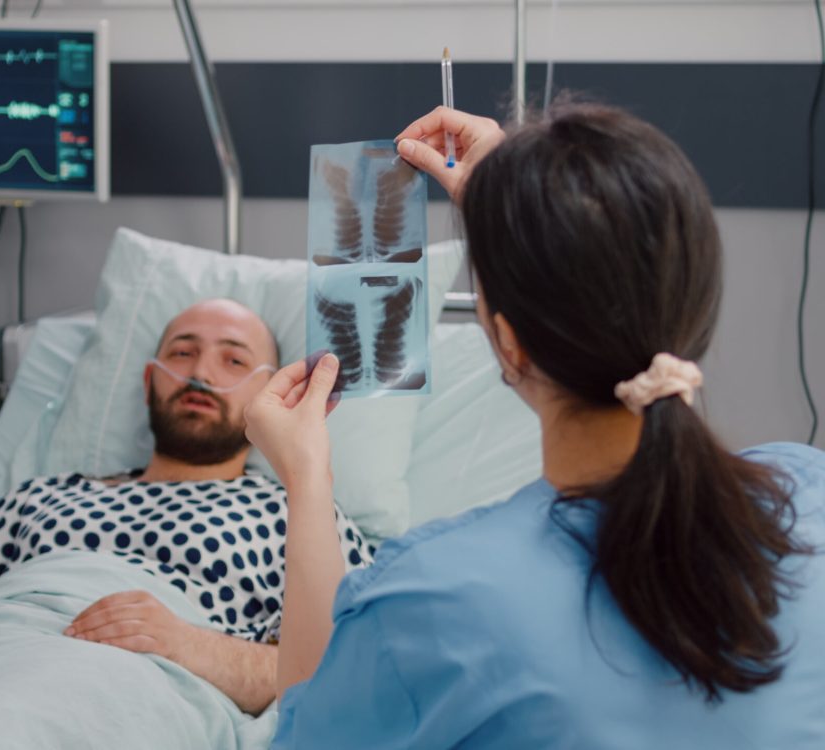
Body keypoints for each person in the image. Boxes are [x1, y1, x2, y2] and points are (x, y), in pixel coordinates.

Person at [244, 104, 825, 747]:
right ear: (696, 301)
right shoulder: (809, 493)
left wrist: (306, 475)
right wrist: (518, 219)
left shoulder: (433, 600)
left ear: (509, 345)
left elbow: (310, 733)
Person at [0, 298, 373, 716]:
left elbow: (349, 669)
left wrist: (190, 645)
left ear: (271, 395)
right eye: (181, 353)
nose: (200, 372)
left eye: (234, 360)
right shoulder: (37, 497)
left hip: (115, 699)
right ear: (147, 381)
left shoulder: (299, 510)